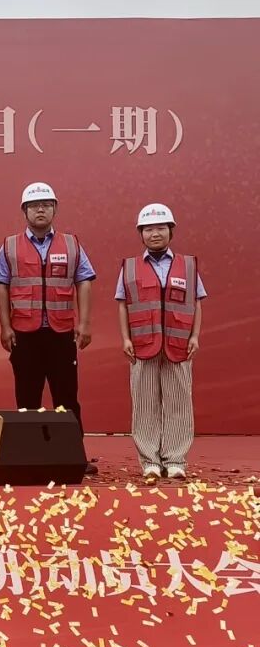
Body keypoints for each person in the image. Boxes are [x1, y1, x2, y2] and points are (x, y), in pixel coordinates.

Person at [0, 182, 97, 474]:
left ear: (55, 209)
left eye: (46, 205)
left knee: (67, 398)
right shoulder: (10, 246)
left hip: (61, 333)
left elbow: (84, 281)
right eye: (35, 206)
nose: (41, 210)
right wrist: (5, 326)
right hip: (24, 334)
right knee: (27, 399)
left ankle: (74, 456)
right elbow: (1, 285)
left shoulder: (72, 244)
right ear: (24, 211)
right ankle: (29, 456)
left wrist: (84, 323)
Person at [116, 204, 205, 480]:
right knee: (145, 404)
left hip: (179, 344)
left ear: (171, 231)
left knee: (179, 402)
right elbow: (122, 304)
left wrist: (195, 336)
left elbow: (196, 302)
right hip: (142, 345)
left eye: (161, 228)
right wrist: (125, 338)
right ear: (141, 233)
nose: (155, 234)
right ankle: (150, 461)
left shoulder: (188, 265)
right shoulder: (130, 267)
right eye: (149, 229)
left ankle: (176, 459)